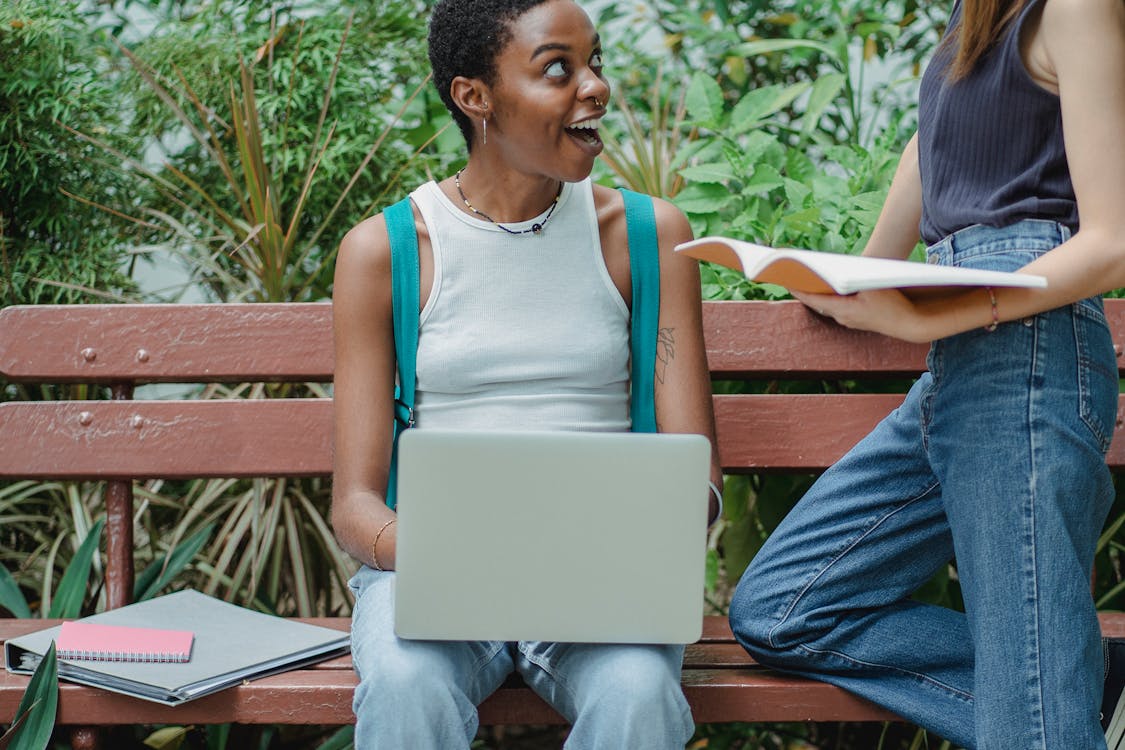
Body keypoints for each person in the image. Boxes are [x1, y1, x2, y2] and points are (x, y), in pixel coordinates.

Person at [728, 0, 1125, 748]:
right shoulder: (972, 18)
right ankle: (1071, 690)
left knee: (1030, 723)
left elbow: (1111, 242)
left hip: (1021, 345)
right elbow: (932, 146)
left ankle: (1048, 698)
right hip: (963, 357)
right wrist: (854, 276)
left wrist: (927, 319)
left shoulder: (1072, 7)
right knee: (784, 608)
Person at [330, 0, 723, 747]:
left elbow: (699, 479)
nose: (595, 87)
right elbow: (354, 502)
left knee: (638, 694)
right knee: (407, 684)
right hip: (432, 581)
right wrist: (441, 554)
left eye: (595, 62)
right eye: (557, 69)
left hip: (601, 587)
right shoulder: (386, 250)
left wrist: (640, 529)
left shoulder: (646, 237)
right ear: (473, 96)